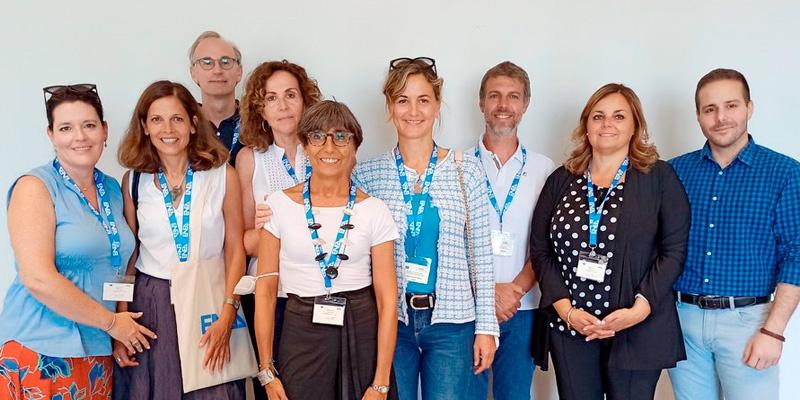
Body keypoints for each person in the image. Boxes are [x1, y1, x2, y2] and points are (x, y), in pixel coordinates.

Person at [530, 83, 690, 400]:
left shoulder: (659, 177)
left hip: (636, 326)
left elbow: (674, 252)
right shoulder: (561, 180)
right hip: (572, 328)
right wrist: (566, 310)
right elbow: (541, 250)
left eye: (619, 116)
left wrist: (639, 309)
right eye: (598, 116)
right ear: (586, 126)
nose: (607, 124)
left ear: (634, 127)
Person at [355, 57, 499, 400]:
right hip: (392, 323)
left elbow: (481, 254)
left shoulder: (467, 171)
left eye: (423, 100)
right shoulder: (368, 175)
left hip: (452, 323)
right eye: (403, 100)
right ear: (390, 107)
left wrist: (486, 328)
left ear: (437, 106)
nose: (413, 111)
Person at [0, 84, 153, 399]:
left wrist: (120, 323)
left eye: (89, 125)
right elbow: (38, 278)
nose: (79, 137)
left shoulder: (112, 188)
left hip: (97, 349)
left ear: (104, 130)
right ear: (51, 135)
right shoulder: (35, 187)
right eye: (66, 128)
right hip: (41, 348)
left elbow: (121, 263)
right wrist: (112, 323)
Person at [668, 68, 800, 400]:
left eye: (731, 106)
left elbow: (796, 254)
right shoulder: (673, 172)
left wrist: (774, 332)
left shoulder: (784, 173)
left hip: (748, 323)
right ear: (698, 115)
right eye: (709, 109)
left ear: (749, 108)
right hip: (681, 321)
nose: (721, 117)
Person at [254, 100, 399, 400]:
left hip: (361, 332)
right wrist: (266, 371)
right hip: (300, 333)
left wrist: (381, 382)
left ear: (355, 147)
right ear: (305, 146)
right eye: (317, 136)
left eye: (341, 136)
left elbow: (387, 301)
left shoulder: (375, 211)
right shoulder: (278, 206)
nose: (329, 147)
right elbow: (266, 292)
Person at [114, 80, 248, 399]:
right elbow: (127, 259)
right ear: (145, 127)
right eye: (157, 119)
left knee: (215, 390)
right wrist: (119, 320)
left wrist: (229, 311)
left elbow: (235, 249)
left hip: (210, 298)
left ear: (192, 122)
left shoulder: (221, 175)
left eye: (176, 118)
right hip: (151, 302)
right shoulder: (134, 181)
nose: (167, 128)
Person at [468, 61, 554, 400]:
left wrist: (513, 291)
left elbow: (547, 242)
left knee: (516, 395)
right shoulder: (458, 163)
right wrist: (489, 292)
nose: (503, 106)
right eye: (495, 96)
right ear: (481, 103)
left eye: (513, 97)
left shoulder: (545, 169)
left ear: (525, 104)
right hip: (469, 306)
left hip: (523, 308)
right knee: (467, 395)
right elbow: (451, 243)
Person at [235, 60, 322, 393]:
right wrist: (287, 230)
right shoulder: (249, 159)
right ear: (261, 108)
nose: (283, 106)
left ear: (305, 100)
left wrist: (277, 227)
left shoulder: (325, 149)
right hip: (270, 297)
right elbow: (246, 242)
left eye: (291, 95)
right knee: (274, 389)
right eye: (272, 98)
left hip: (319, 290)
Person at [188, 30, 244, 164]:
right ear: (193, 73)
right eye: (207, 62)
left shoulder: (260, 122)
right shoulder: (182, 125)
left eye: (225, 62)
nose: (217, 70)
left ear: (239, 72)